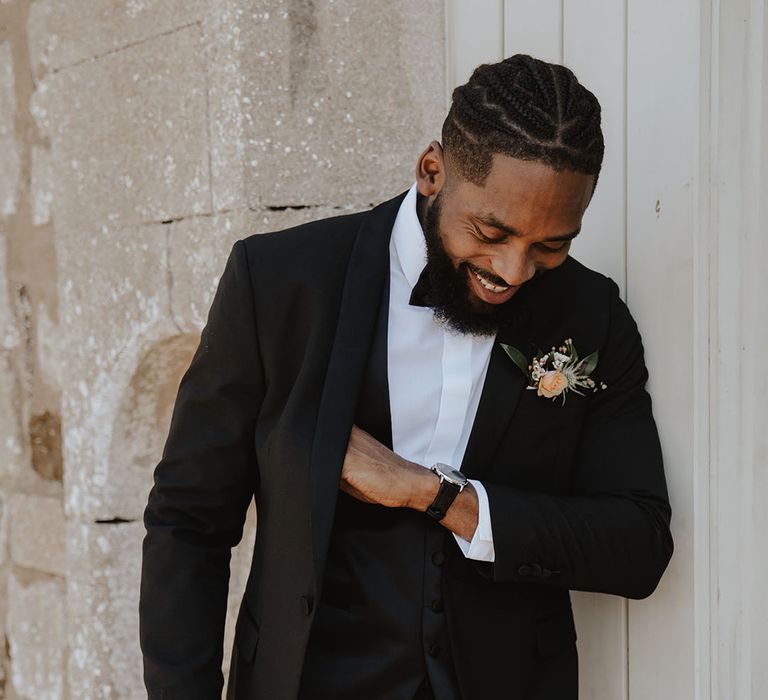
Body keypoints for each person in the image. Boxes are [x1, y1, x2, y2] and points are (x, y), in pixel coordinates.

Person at [139, 54, 673, 700]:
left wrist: (435, 494)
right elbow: (188, 521)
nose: (514, 270)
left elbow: (639, 543)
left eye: (551, 246)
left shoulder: (592, 316)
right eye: (491, 231)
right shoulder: (277, 285)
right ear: (431, 171)